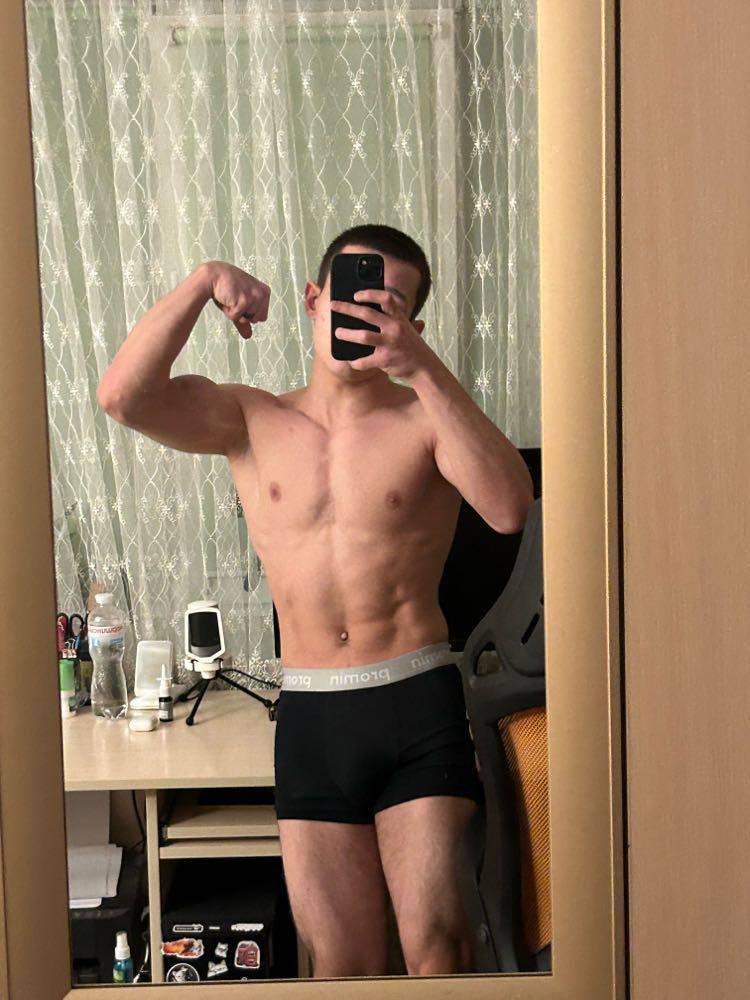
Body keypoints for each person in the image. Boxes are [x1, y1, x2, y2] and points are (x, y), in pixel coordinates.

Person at [97, 223, 534, 978]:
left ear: (411, 322)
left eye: (388, 305)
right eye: (352, 296)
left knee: (440, 950)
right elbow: (122, 397)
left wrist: (422, 366)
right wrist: (203, 281)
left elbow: (511, 509)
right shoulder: (251, 419)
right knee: (341, 966)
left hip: (417, 700)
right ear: (312, 299)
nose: (365, 314)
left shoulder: (425, 420)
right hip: (311, 714)